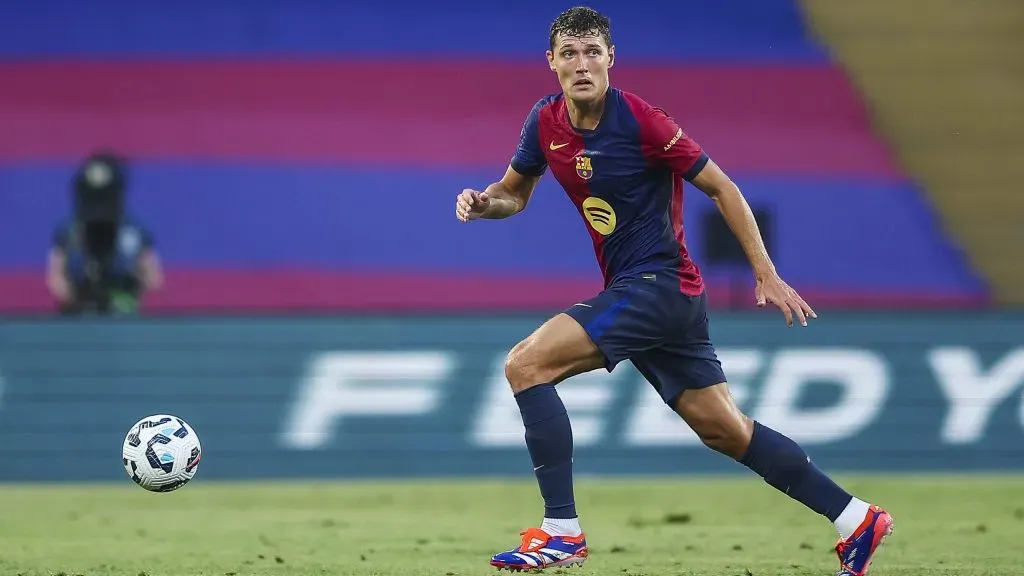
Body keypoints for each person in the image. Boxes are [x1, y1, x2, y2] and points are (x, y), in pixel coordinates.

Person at [454, 7, 892, 576]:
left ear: (611, 58)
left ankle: (561, 530)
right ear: (552, 63)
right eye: (570, 53)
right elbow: (515, 192)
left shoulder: (642, 121)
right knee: (726, 431)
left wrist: (764, 271)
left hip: (657, 285)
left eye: (592, 52)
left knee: (525, 366)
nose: (582, 64)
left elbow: (722, 186)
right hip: (660, 297)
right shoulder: (544, 122)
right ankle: (855, 518)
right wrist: (487, 204)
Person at [47, 152, 163, 315]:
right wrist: (81, 295)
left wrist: (129, 283)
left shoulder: (135, 232)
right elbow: (56, 280)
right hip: (78, 316)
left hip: (123, 315)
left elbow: (153, 279)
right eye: (93, 197)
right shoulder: (68, 232)